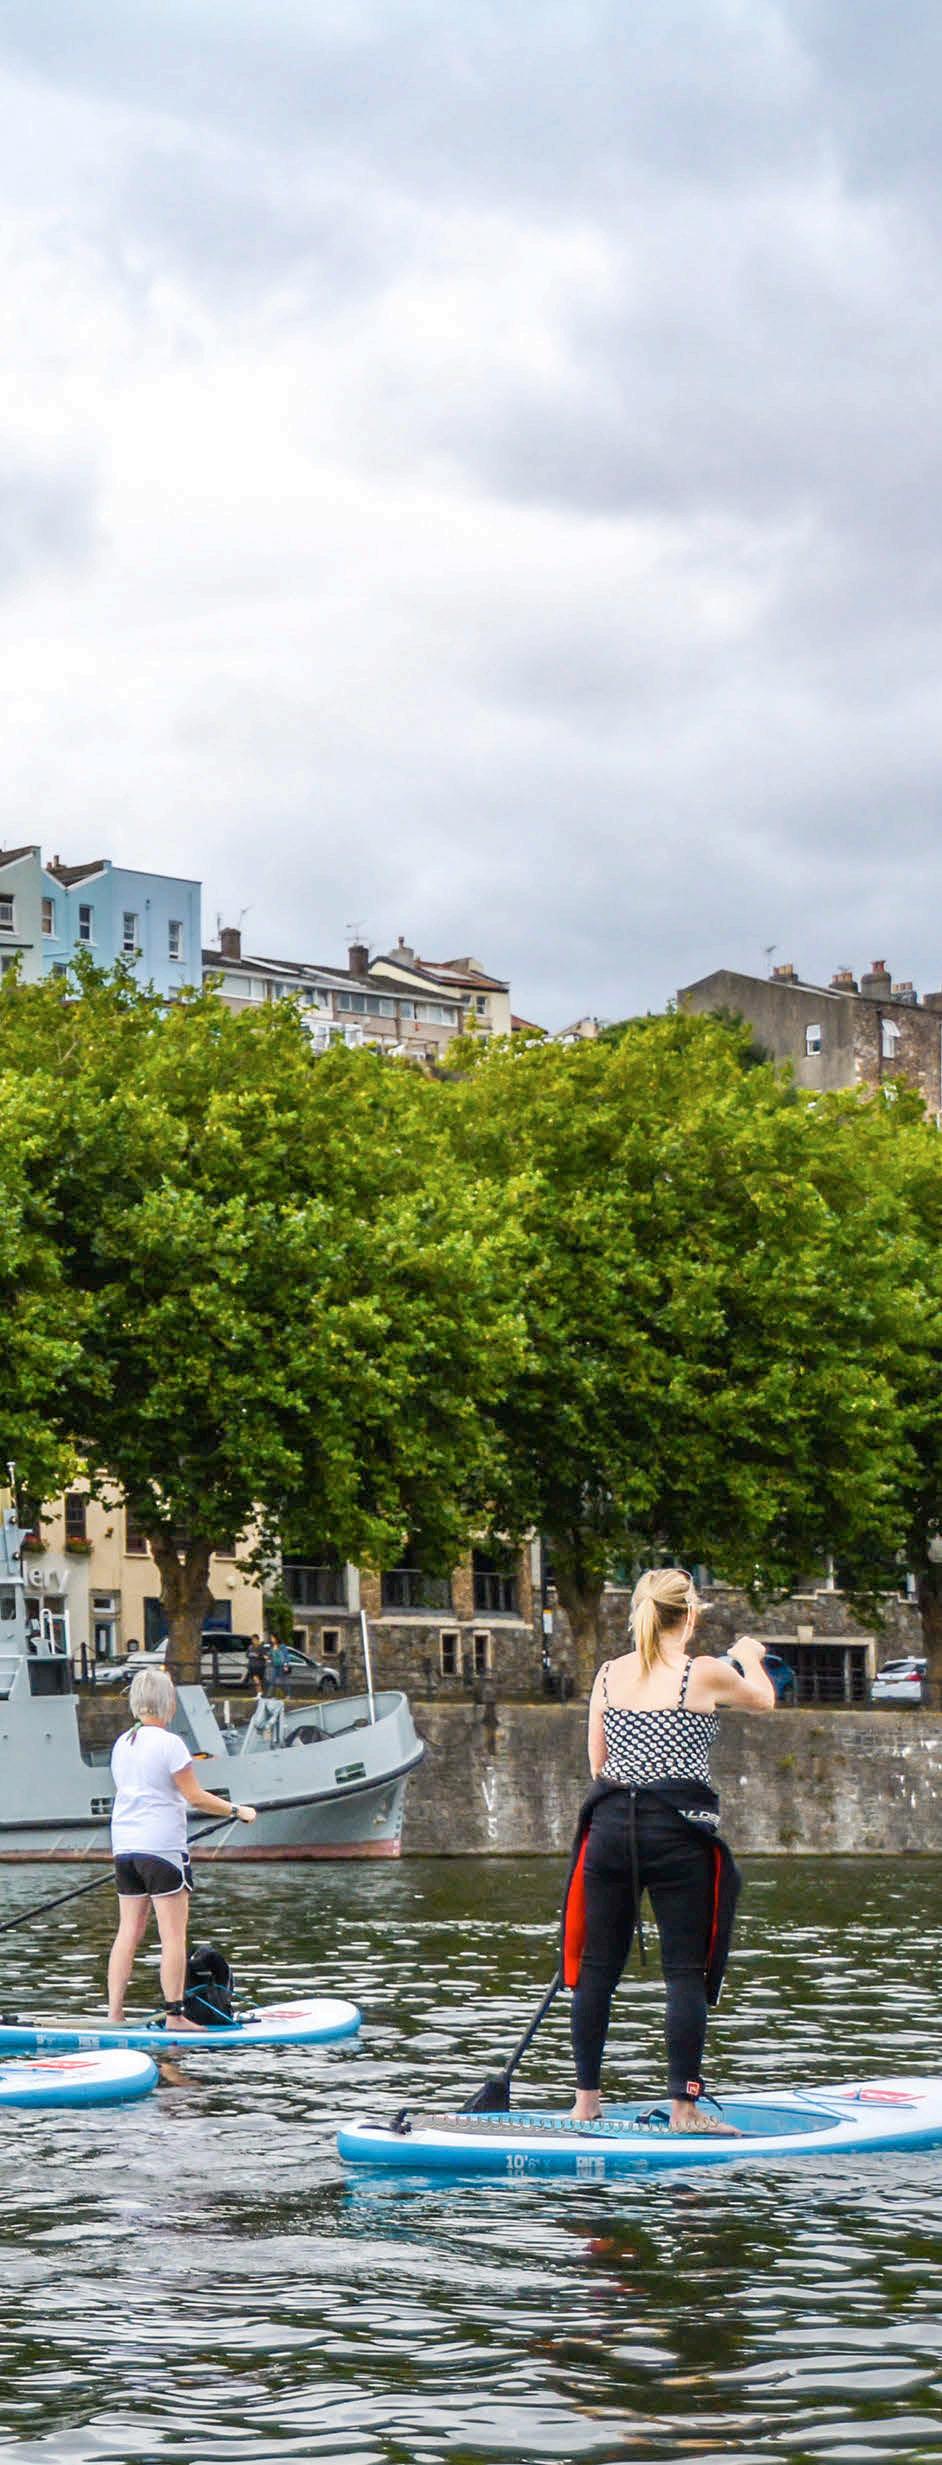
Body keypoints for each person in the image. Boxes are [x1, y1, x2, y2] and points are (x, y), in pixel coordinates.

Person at [562, 1568, 774, 2133]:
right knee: (684, 1972)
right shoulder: (703, 1672)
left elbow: (598, 1764)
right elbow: (763, 1701)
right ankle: (684, 2108)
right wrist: (748, 1656)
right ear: (691, 1615)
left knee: (596, 1970)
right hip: (677, 1833)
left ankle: (585, 2102)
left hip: (610, 1829)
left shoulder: (608, 1674)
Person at [107, 1665, 256, 2025]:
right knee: (173, 1936)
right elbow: (195, 1796)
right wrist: (237, 1810)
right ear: (168, 1703)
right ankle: (175, 2016)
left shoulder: (122, 1743)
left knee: (128, 1931)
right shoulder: (170, 1743)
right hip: (162, 1849)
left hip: (124, 1848)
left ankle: (114, 2014)